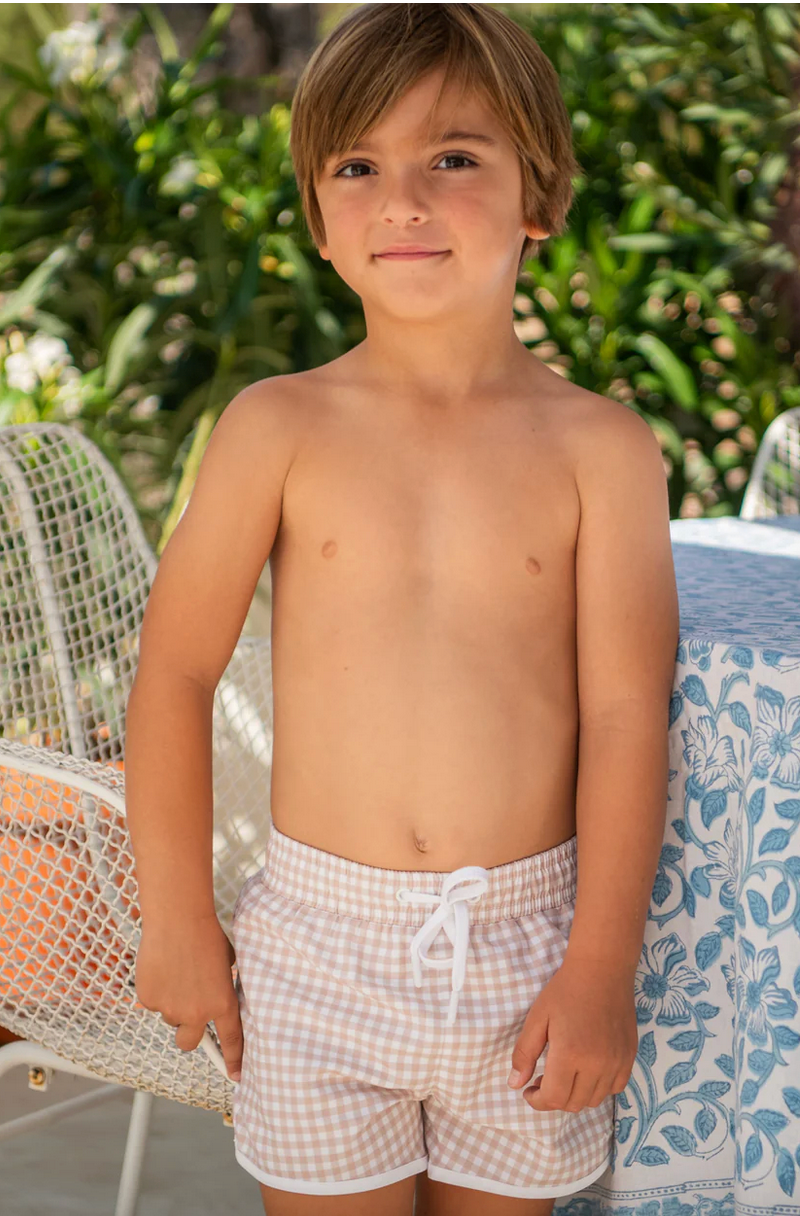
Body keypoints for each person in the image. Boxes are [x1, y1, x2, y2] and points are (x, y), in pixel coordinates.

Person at [125, 4, 680, 1214]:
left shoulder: (603, 449)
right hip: (317, 947)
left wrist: (599, 968)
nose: (404, 198)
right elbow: (171, 672)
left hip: (528, 945)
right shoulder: (277, 427)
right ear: (321, 221)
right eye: (359, 166)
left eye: (454, 157)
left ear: (537, 195)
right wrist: (176, 918)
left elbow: (629, 715)